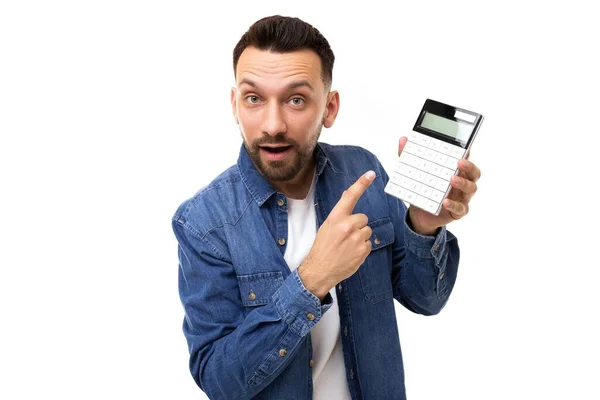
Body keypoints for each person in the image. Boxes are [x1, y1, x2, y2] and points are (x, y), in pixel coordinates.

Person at [172, 15, 481, 400]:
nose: (273, 124)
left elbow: (426, 299)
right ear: (236, 104)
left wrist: (424, 225)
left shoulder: (363, 173)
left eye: (296, 99)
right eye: (254, 98)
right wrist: (311, 281)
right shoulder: (202, 222)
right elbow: (219, 382)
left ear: (330, 108)